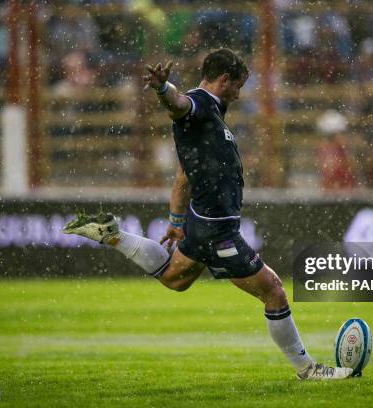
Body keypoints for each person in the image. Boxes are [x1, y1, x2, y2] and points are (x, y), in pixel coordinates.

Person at [62, 48, 352, 380]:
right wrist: (161, 89)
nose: (240, 94)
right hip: (217, 230)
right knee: (273, 290)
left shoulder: (211, 118)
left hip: (202, 221)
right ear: (224, 80)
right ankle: (307, 369)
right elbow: (178, 103)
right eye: (238, 86)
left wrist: (176, 222)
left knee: (174, 278)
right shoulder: (199, 105)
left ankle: (112, 233)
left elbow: (183, 176)